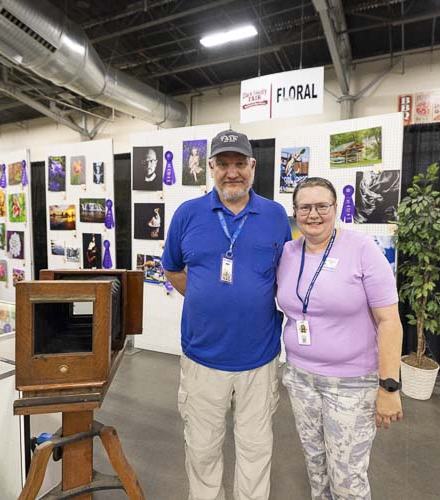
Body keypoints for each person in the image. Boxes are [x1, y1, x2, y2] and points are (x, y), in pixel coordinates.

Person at [162, 129, 291, 500]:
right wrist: (207, 298)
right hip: (202, 356)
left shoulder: (275, 215)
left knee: (255, 448)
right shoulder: (188, 214)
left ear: (253, 166)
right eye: (223, 164)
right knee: (202, 449)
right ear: (210, 168)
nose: (231, 172)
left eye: (239, 164)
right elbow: (172, 269)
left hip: (259, 358)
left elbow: (284, 272)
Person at [276, 177, 404, 499]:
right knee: (316, 469)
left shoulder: (362, 249)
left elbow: (389, 320)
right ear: (295, 211)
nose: (314, 214)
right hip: (300, 379)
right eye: (305, 207)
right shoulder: (288, 253)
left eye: (322, 206)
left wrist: (389, 386)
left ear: (336, 209)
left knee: (347, 478)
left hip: (351, 384)